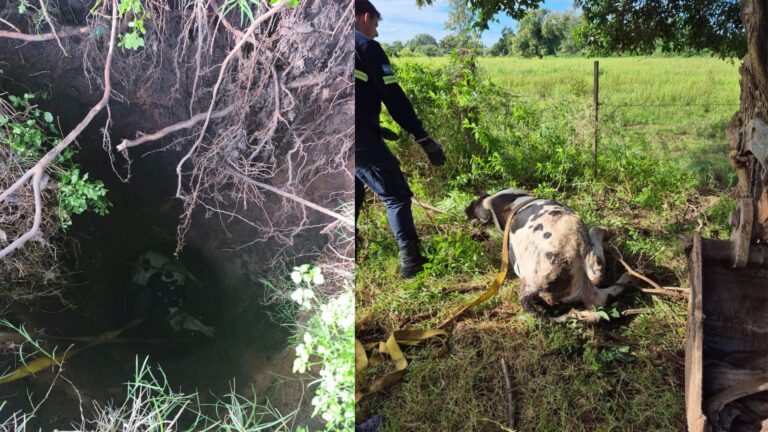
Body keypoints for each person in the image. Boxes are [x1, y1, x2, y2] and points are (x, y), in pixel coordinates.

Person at [355, 0, 446, 278]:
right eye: (375, 26)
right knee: (396, 195)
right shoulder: (366, 47)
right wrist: (423, 137)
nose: (376, 33)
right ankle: (412, 265)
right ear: (365, 17)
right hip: (358, 140)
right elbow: (394, 98)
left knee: (350, 198)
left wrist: (374, 126)